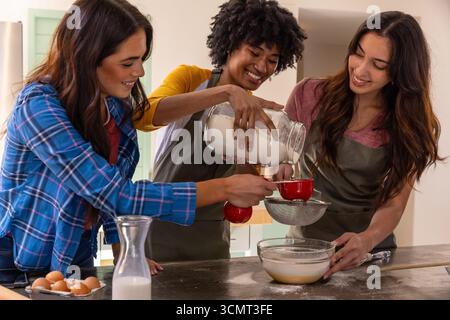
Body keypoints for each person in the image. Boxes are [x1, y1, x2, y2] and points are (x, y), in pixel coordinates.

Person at [0, 0, 276, 275]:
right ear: (86, 56)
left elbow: (108, 191)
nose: (140, 72)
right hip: (18, 259)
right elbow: (115, 193)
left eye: (141, 60)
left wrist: (124, 252)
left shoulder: (114, 108)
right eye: (128, 62)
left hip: (75, 250)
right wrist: (225, 188)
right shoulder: (38, 106)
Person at [134, 0, 307, 262]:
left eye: (272, 60)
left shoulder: (257, 115)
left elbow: (239, 186)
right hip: (159, 234)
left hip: (211, 242)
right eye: (254, 52)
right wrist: (227, 93)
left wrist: (269, 169)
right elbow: (144, 115)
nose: (262, 67)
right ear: (230, 45)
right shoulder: (191, 78)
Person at [281, 11, 442, 278]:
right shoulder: (309, 94)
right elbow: (283, 154)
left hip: (369, 252)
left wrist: (366, 240)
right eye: (358, 53)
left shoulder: (410, 127)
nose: (360, 70)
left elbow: (394, 204)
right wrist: (281, 167)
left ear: (400, 73)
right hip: (304, 247)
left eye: (378, 65)